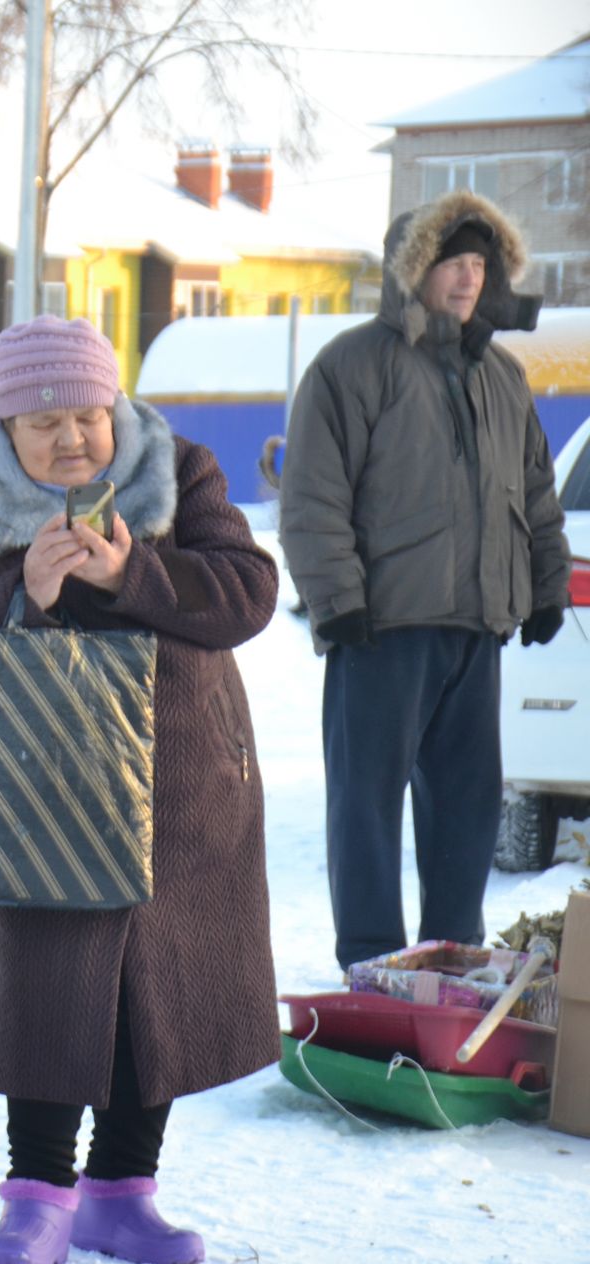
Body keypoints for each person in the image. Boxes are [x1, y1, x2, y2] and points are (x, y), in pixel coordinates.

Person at [0, 316, 279, 1264]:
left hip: (184, 783)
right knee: (54, 988)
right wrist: (16, 595)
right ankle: (36, 1199)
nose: (70, 438)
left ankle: (121, 1192)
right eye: (44, 423)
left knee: (161, 986)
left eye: (86, 416)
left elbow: (250, 592)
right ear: (7, 426)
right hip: (44, 792)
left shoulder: (178, 472)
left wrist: (133, 571)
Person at [280, 190, 570, 972]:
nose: (469, 278)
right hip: (381, 629)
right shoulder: (351, 367)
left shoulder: (504, 377)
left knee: (467, 809)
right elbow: (313, 497)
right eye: (454, 262)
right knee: (366, 810)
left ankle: (452, 960)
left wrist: (544, 586)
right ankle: (372, 965)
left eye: (481, 264)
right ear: (415, 270)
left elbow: (537, 494)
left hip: (477, 629)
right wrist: (338, 603)